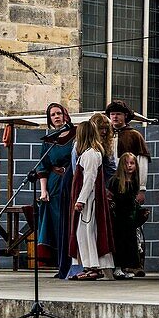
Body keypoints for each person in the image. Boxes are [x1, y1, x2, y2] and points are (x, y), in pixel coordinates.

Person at [68, 120, 115, 280]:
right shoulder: (87, 153)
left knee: (89, 232)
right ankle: (88, 265)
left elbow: (89, 179)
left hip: (90, 200)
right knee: (83, 233)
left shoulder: (91, 154)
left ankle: (95, 267)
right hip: (87, 199)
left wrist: (81, 200)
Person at [33, 102, 75, 271]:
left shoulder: (76, 134)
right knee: (56, 222)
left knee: (71, 221)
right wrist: (44, 190)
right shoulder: (49, 140)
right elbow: (43, 167)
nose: (56, 117)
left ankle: (74, 261)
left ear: (65, 115)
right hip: (54, 184)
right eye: (52, 115)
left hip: (71, 180)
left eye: (59, 113)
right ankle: (60, 263)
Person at [109, 152, 144, 279]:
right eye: (126, 163)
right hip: (118, 216)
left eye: (132, 163)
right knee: (119, 242)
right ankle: (117, 267)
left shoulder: (134, 182)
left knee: (130, 243)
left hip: (129, 216)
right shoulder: (116, 181)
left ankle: (125, 266)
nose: (129, 166)